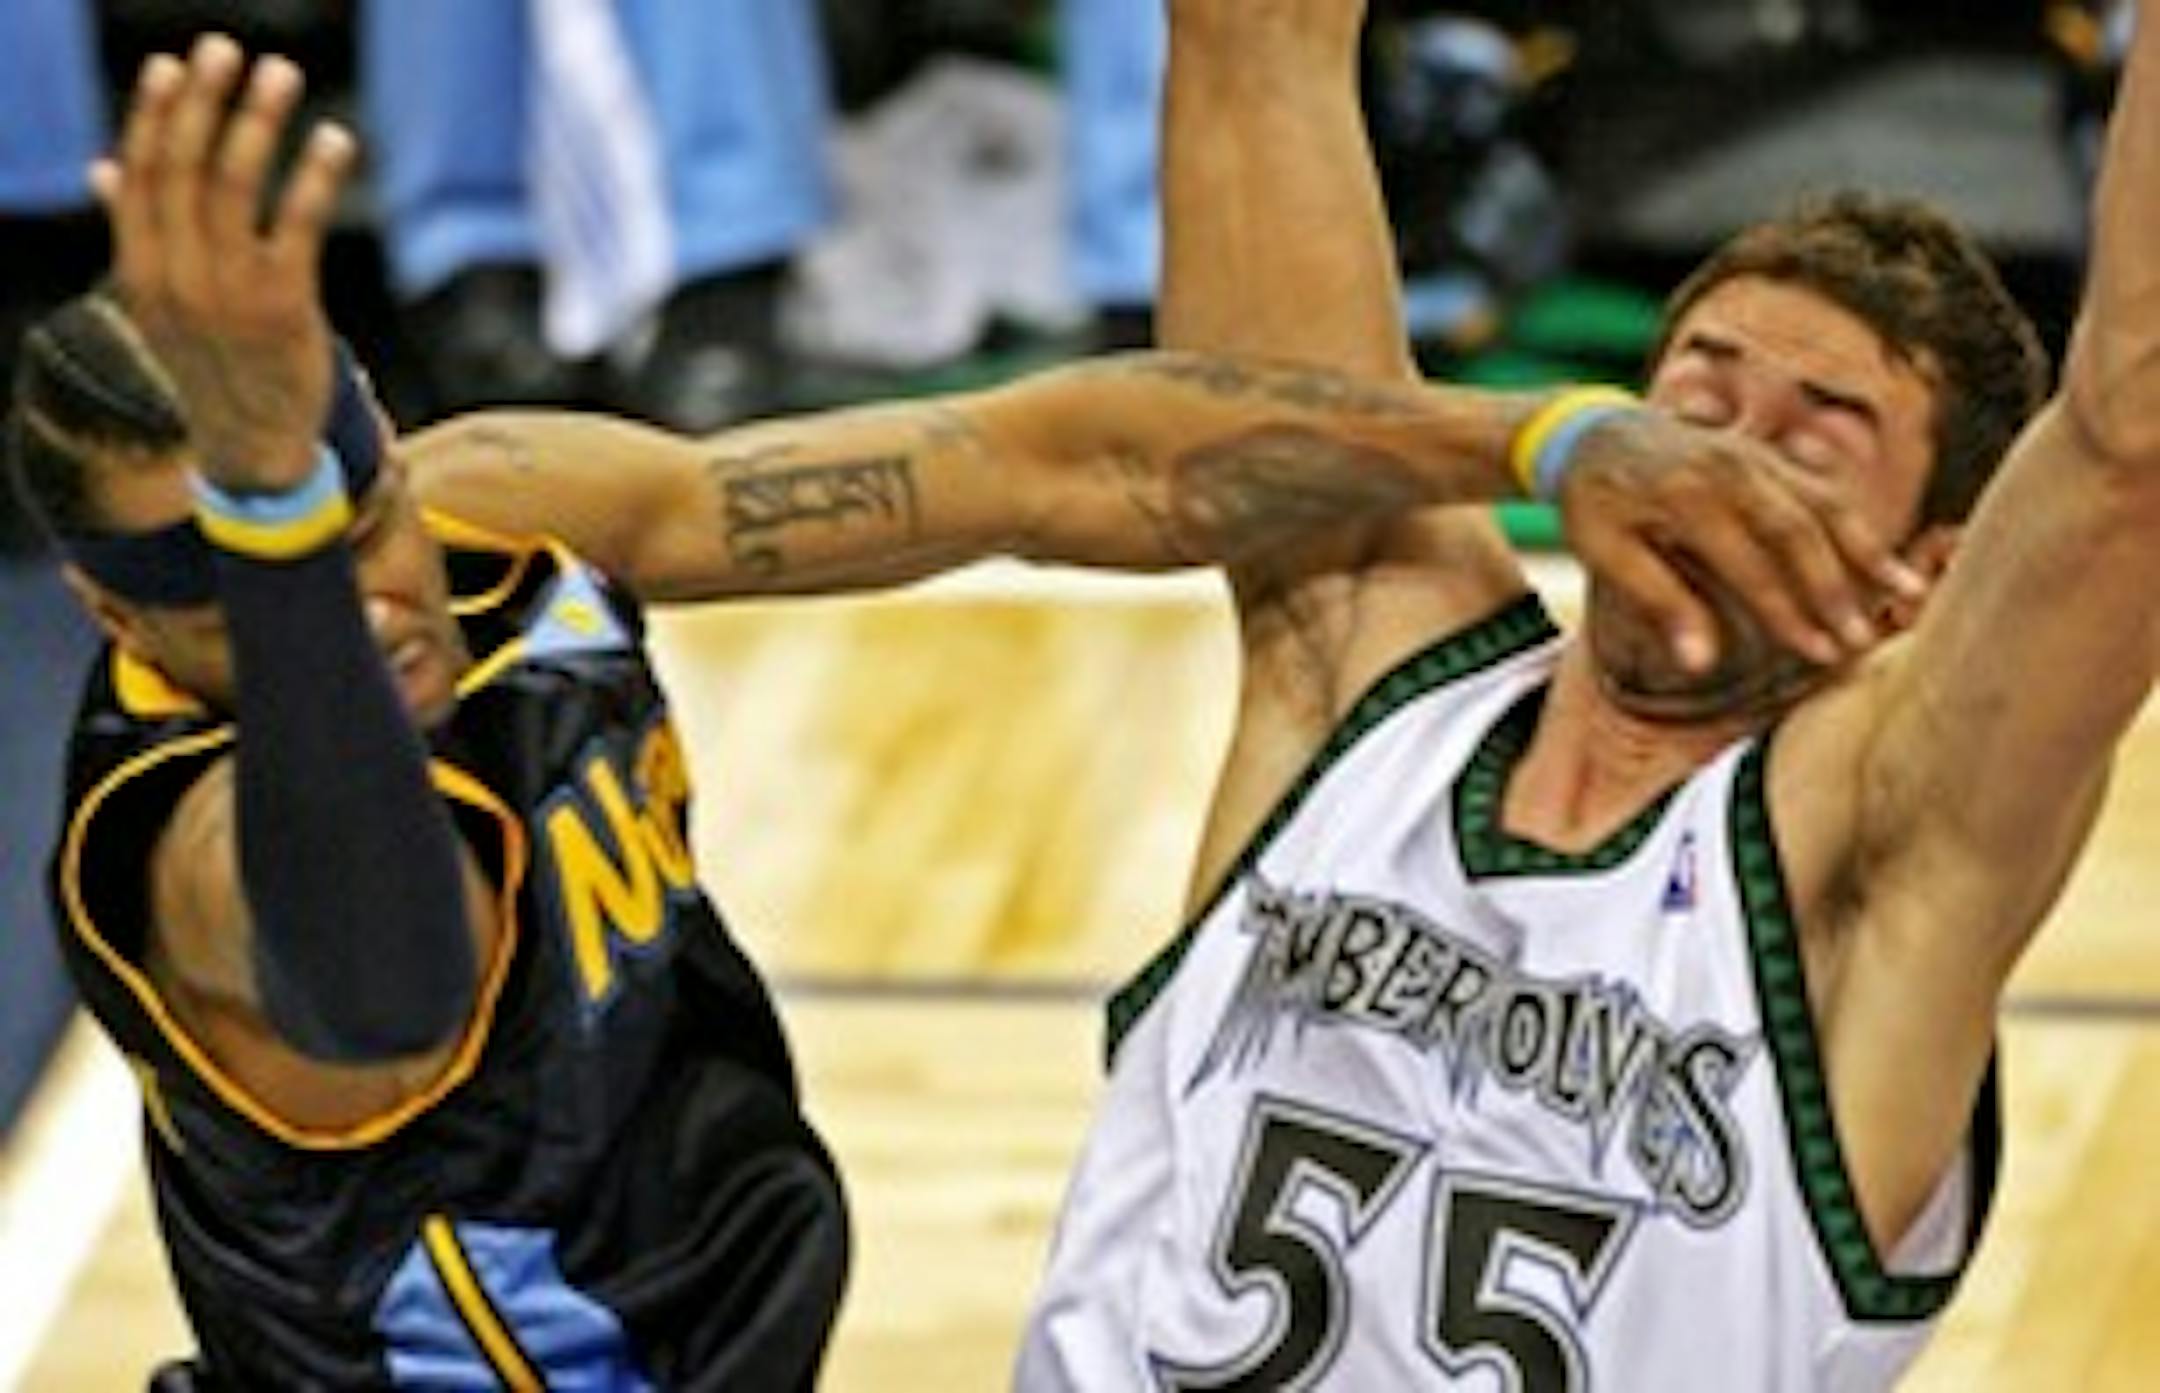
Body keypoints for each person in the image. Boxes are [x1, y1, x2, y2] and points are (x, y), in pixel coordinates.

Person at [14, 34, 1900, 1389]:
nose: (363, 595)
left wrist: (1540, 437)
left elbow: (1064, 462)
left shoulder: (497, 506)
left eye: (360, 511)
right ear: (110, 612)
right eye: (260, 579)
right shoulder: (188, 853)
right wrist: (277, 522)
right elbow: (387, 970)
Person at [1015, 0, 2157, 1388]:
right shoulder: (1371, 663)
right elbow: (1253, 49)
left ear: (1929, 574)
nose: (1723, 459)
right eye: (1702, 398)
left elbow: (2131, 446)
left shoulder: (1866, 847)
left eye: (1814, 438)